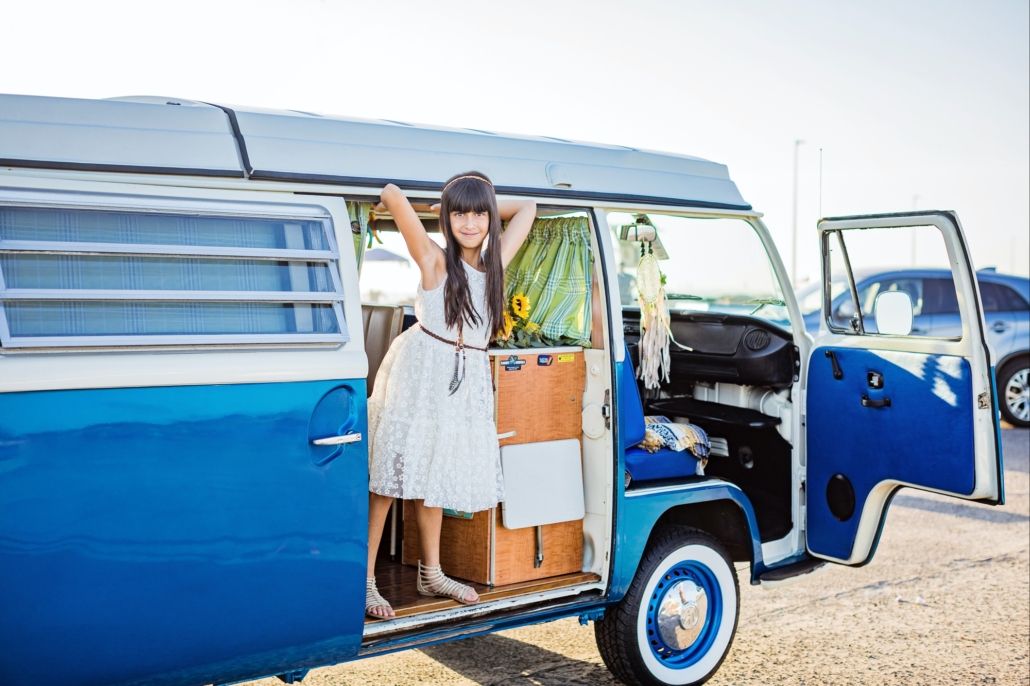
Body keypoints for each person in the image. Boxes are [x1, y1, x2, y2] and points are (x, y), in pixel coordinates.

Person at [365, 172, 537, 619]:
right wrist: (448, 201)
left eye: (480, 213)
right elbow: (392, 195)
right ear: (445, 217)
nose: (470, 222)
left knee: (434, 475)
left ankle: (431, 574)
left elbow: (529, 209)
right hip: (420, 376)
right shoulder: (434, 260)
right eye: (459, 213)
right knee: (387, 480)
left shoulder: (494, 266)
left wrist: (481, 194)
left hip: (463, 383)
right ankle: (365, 580)